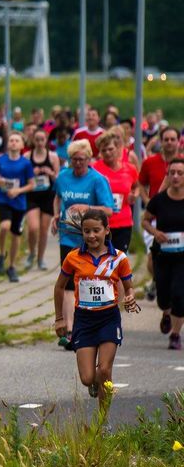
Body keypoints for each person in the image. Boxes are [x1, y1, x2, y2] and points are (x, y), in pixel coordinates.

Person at [53, 209, 137, 423]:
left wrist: (130, 298)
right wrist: (60, 319)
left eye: (96, 231)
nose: (91, 236)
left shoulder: (119, 258)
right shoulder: (73, 257)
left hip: (109, 319)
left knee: (105, 370)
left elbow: (129, 288)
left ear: (107, 230)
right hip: (84, 320)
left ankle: (103, 420)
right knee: (88, 377)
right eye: (86, 231)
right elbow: (59, 287)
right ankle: (94, 385)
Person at [52, 139, 115, 348]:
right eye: (73, 160)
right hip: (68, 235)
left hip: (92, 240)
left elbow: (109, 210)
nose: (77, 163)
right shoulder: (63, 177)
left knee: (87, 281)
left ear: (89, 159)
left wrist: (85, 207)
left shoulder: (97, 180)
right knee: (68, 282)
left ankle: (91, 324)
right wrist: (55, 215)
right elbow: (58, 198)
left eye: (81, 159)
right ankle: (70, 330)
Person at [143, 158, 184, 349]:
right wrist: (155, 233)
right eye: (172, 173)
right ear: (167, 175)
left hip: (182, 257)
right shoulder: (159, 200)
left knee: (179, 294)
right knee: (163, 297)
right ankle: (166, 313)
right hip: (163, 255)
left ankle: (175, 335)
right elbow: (145, 221)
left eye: (180, 173)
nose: (175, 176)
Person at [140, 127, 181, 300]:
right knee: (152, 257)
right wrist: (148, 201)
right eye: (166, 139)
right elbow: (141, 183)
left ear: (179, 141)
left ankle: (170, 284)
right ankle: (159, 280)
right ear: (161, 141)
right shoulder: (150, 162)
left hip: (179, 217)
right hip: (156, 216)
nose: (170, 142)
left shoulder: (182, 164)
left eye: (173, 139)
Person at [0, 132, 35, 282]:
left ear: (22, 145)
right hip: (3, 199)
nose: (14, 143)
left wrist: (18, 190)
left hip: (19, 202)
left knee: (16, 234)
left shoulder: (26, 164)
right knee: (4, 226)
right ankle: (2, 253)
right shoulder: (1, 160)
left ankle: (11, 266)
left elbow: (31, 184)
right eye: (11, 140)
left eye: (17, 141)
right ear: (8, 143)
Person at [93, 130, 139, 253]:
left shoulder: (130, 169)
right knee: (100, 263)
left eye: (110, 149)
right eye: (103, 151)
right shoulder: (95, 169)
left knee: (118, 262)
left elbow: (137, 185)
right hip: (100, 223)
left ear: (118, 148)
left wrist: (134, 194)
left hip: (124, 222)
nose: (107, 153)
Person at [24, 127, 60, 270]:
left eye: (42, 140)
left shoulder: (52, 157)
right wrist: (32, 173)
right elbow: (22, 177)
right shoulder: (27, 156)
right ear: (33, 140)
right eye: (37, 140)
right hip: (32, 195)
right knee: (33, 228)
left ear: (46, 141)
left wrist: (50, 173)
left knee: (43, 230)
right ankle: (32, 253)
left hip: (47, 196)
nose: (39, 142)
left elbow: (58, 178)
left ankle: (40, 258)